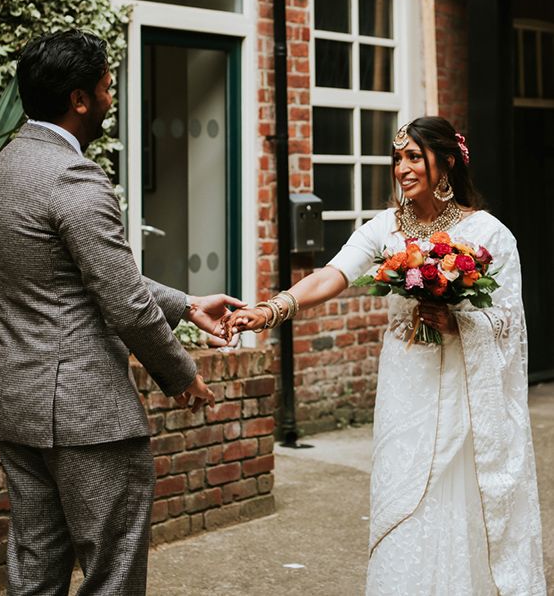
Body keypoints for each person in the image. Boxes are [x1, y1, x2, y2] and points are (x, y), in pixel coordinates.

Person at [227, 116, 546, 595]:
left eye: (414, 157)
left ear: (448, 162)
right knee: (401, 493)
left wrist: (458, 320)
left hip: (463, 391)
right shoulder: (385, 228)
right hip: (405, 383)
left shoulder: (490, 235)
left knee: (451, 493)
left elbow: (509, 325)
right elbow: (332, 274)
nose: (402, 168)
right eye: (398, 158)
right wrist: (272, 310)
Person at [0, 29, 244, 595]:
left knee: (35, 571)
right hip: (88, 418)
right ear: (79, 99)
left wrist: (188, 304)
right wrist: (183, 375)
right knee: (112, 572)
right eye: (106, 87)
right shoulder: (74, 176)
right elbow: (121, 300)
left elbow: (79, 277)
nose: (111, 98)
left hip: (20, 407)